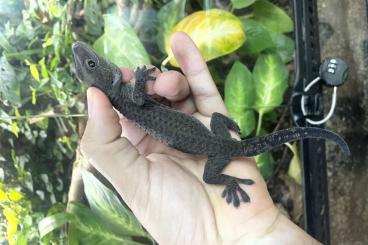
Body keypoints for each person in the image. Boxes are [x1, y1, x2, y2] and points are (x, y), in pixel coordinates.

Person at [80, 32, 320, 244]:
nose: (92, 59)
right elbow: (140, 99)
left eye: (90, 63)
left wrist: (230, 182)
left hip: (207, 143)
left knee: (210, 170)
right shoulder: (124, 96)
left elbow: (140, 101)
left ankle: (231, 180)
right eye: (92, 64)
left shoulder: (122, 96)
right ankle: (231, 173)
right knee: (217, 122)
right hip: (209, 139)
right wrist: (141, 79)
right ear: (104, 80)